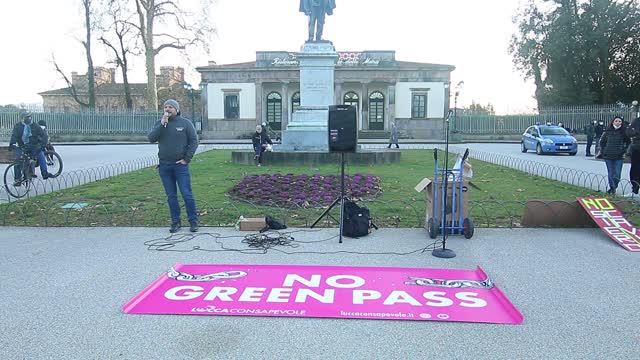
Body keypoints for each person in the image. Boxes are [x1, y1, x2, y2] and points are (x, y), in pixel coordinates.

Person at [147, 99, 200, 233]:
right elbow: (151, 138)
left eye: (170, 107)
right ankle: (175, 222)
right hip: (164, 166)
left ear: (176, 109)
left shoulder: (185, 123)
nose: (168, 109)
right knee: (171, 196)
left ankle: (193, 221)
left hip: (180, 166)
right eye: (166, 107)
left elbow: (194, 141)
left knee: (186, 194)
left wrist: (186, 159)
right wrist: (161, 124)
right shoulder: (160, 123)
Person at [8, 111, 55, 184]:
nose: (29, 119)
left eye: (29, 117)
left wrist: (43, 145)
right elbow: (14, 135)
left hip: (33, 146)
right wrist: (12, 144)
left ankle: (44, 173)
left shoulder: (35, 125)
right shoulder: (18, 126)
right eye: (26, 117)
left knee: (40, 154)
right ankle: (17, 179)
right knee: (18, 159)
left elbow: (44, 135)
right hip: (22, 146)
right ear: (22, 118)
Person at [598, 116, 630, 194]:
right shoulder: (607, 131)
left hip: (619, 156)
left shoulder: (624, 132)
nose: (618, 122)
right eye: (616, 121)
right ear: (613, 122)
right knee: (611, 173)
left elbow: (628, 142)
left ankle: (614, 185)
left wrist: (624, 150)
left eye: (619, 121)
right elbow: (602, 142)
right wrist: (603, 151)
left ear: (621, 123)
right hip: (608, 155)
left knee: (617, 174)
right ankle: (612, 189)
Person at [626, 116, 640, 196]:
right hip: (637, 149)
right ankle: (635, 189)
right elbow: (629, 132)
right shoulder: (636, 121)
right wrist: (637, 134)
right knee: (635, 169)